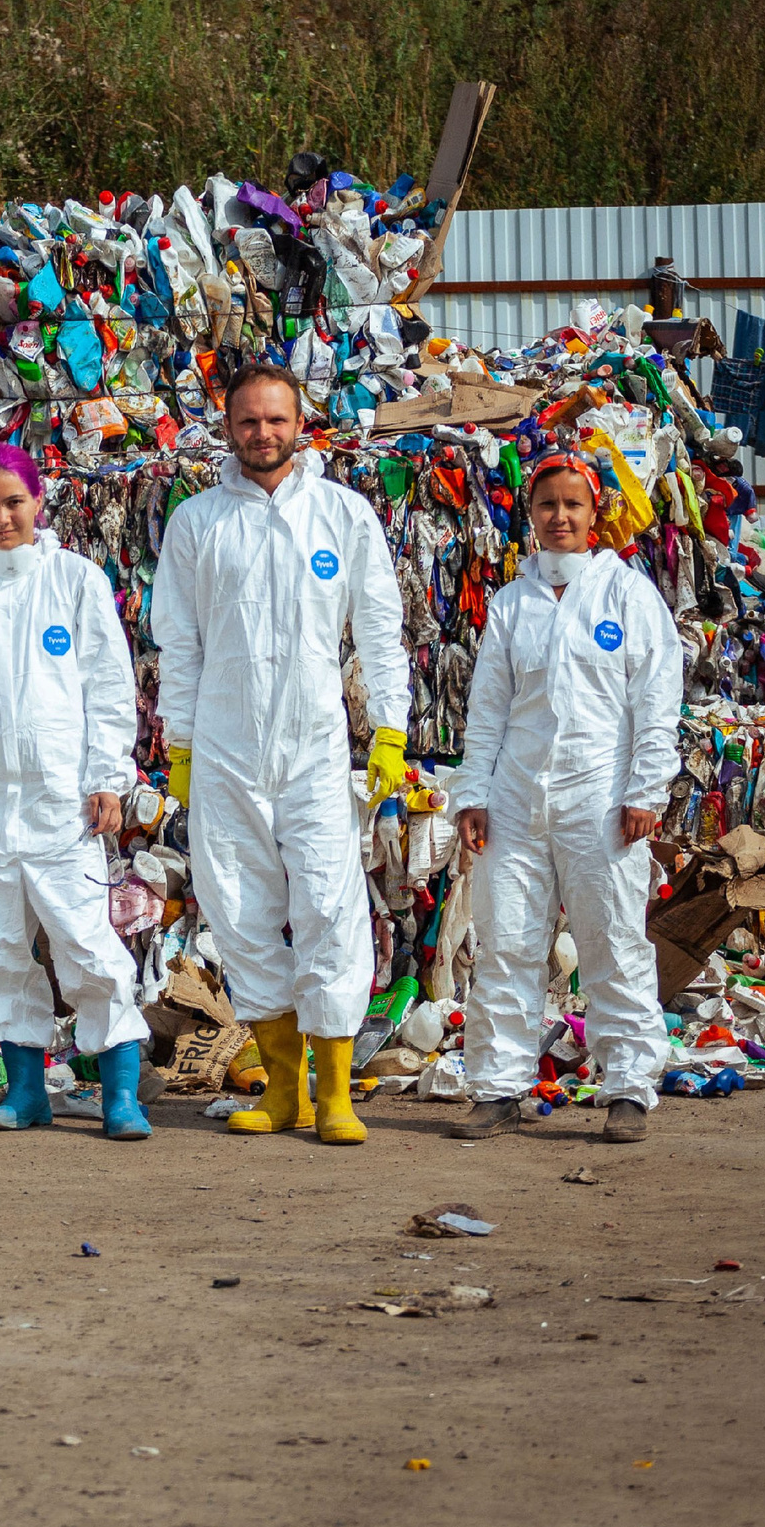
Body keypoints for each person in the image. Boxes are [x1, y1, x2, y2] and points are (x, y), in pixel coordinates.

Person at [150, 362, 409, 1146]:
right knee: (238, 907)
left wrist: (390, 731)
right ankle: (283, 1087)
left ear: (302, 423)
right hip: (226, 750)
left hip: (315, 750)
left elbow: (380, 630)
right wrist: (183, 745)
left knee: (330, 904)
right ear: (226, 427)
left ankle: (335, 1093)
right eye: (248, 421)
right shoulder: (198, 521)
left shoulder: (342, 515)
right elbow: (180, 644)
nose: (263, 433)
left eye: (276, 419)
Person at [0, 443, 152, 1140]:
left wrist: (108, 775)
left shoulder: (74, 580)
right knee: (3, 943)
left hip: (61, 806)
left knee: (86, 942)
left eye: (12, 502)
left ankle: (120, 1093)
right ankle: (26, 1089)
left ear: (38, 501)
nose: (0, 518)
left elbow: (110, 687)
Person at [451, 454, 678, 1143]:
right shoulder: (513, 602)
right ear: (532, 513)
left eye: (573, 505)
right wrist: (474, 793)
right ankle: (497, 1086)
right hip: (517, 802)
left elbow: (656, 702)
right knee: (508, 943)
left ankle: (630, 1088)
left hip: (601, 800)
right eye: (548, 505)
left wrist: (646, 789)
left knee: (611, 941)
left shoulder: (627, 595)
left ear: (595, 511)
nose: (560, 517)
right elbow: (488, 708)